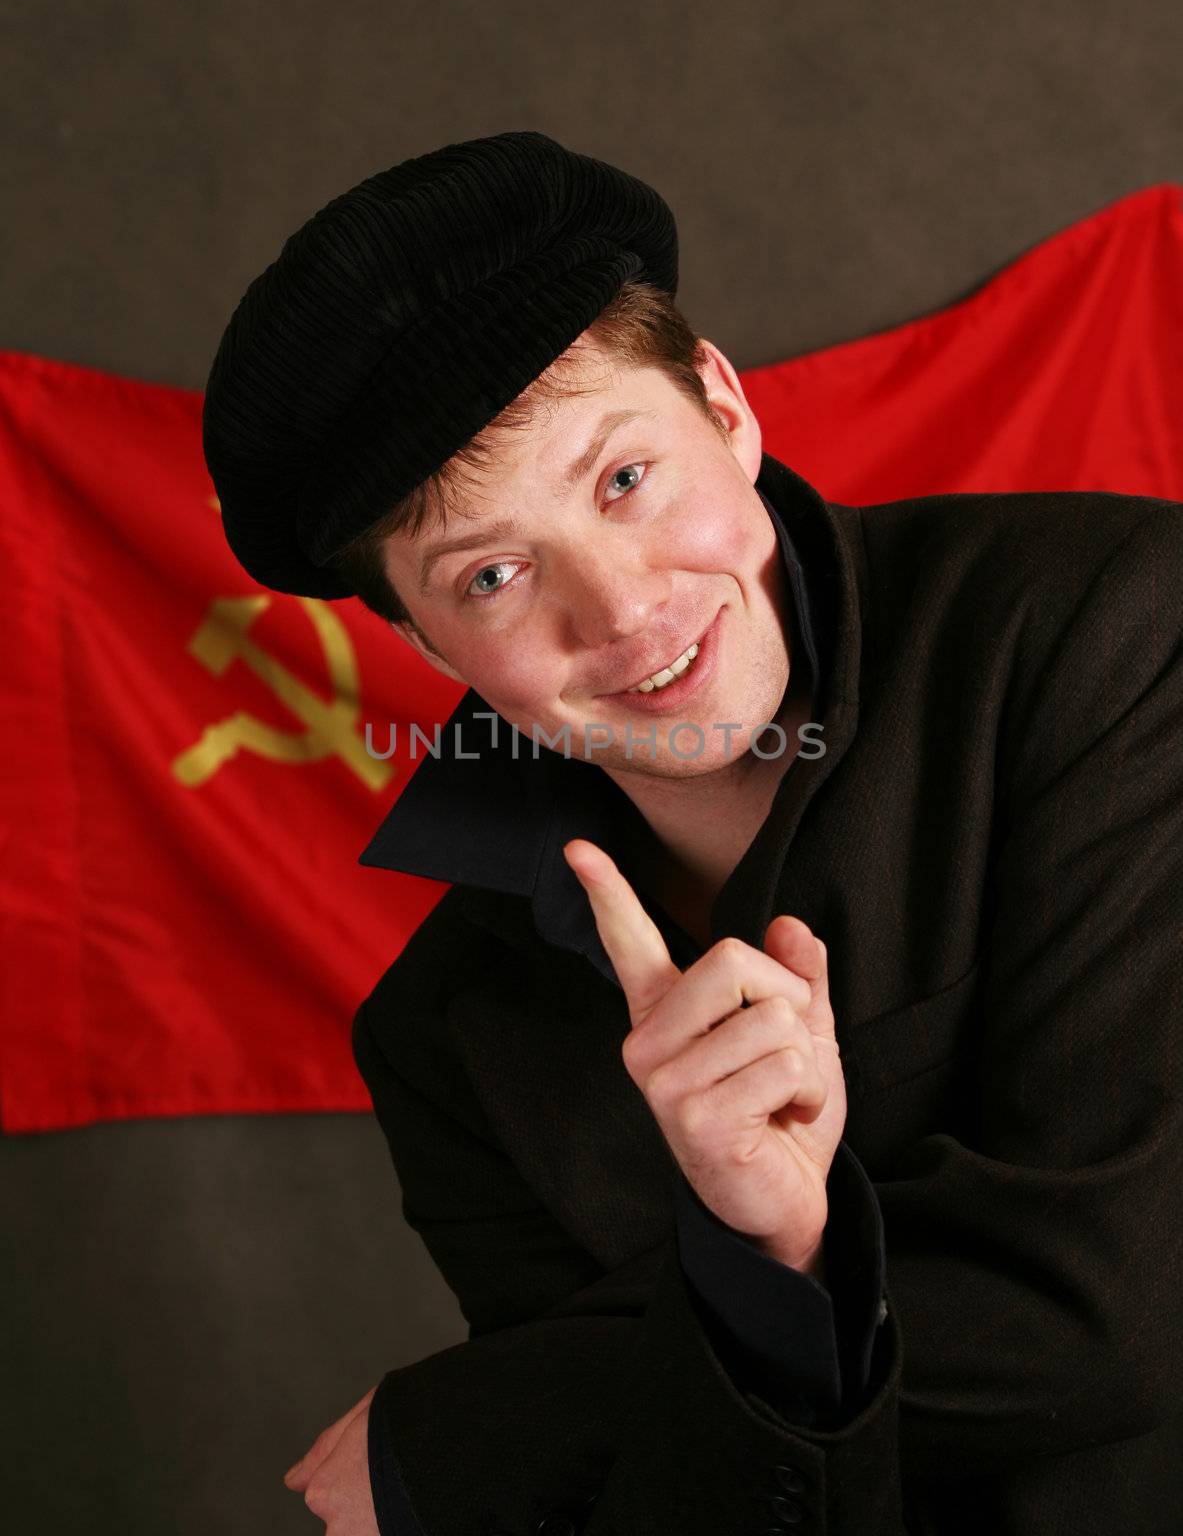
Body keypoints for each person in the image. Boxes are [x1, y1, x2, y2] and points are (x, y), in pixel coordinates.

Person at [201, 131, 1183, 1535]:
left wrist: (493, 1423)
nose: (619, 613)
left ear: (723, 405)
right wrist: (767, 1254)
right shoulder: (442, 1038)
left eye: (622, 479)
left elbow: (1122, 1304)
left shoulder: (1114, 631)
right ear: (423, 641)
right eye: (491, 573)